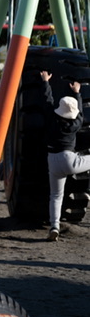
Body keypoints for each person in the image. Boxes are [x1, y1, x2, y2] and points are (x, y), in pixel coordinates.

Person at [44, 77, 90, 241]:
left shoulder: (51, 119)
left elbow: (47, 100)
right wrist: (77, 93)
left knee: (56, 196)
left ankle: (54, 226)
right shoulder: (76, 123)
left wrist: (46, 82)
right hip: (70, 160)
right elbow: (82, 113)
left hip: (53, 160)